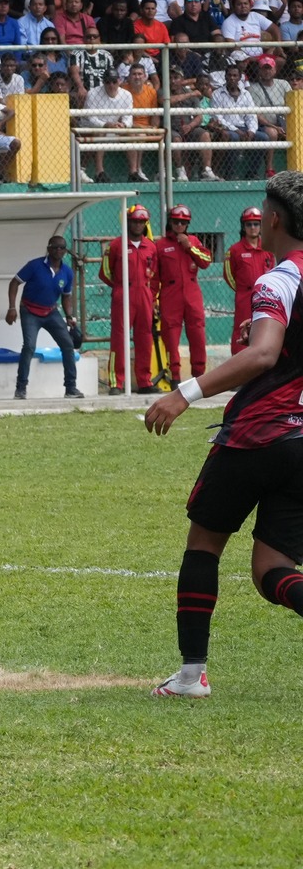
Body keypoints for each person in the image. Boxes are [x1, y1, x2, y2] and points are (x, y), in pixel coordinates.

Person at [145, 172, 303, 699]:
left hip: (258, 435)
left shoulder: (279, 279)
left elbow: (261, 355)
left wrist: (182, 393)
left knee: (205, 544)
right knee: (271, 570)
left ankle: (191, 675)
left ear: (275, 219)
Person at [6, 235, 83, 401]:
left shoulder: (67, 272)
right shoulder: (35, 265)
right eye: (55, 247)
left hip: (50, 311)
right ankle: (21, 388)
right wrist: (12, 307)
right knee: (29, 346)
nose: (58, 251)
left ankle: (71, 387)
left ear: (65, 251)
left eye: (62, 248)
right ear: (48, 249)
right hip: (29, 310)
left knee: (68, 345)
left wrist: (69, 316)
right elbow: (14, 283)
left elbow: (66, 296)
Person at [102, 205, 162, 394]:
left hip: (144, 294)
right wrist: (121, 286)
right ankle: (116, 383)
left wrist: (151, 296)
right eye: (135, 221)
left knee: (145, 337)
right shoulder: (116, 245)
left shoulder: (151, 246)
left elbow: (155, 274)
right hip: (123, 293)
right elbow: (105, 272)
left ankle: (144, 381)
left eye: (141, 222)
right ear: (128, 222)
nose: (138, 225)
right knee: (119, 339)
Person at [156, 204, 213, 384]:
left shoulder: (194, 241)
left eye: (183, 222)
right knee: (171, 336)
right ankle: (175, 376)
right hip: (170, 294)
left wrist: (189, 247)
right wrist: (153, 300)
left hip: (192, 292)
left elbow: (206, 261)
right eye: (176, 222)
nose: (179, 225)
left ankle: (199, 375)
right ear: (170, 223)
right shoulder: (160, 245)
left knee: (197, 333)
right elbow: (154, 277)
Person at [226, 207, 275, 350]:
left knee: (264, 328)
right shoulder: (235, 250)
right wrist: (244, 289)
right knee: (241, 330)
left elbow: (272, 271)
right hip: (244, 297)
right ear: (243, 226)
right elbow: (229, 275)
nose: (252, 228)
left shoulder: (268, 249)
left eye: (256, 224)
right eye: (249, 224)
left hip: (264, 296)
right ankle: (239, 367)